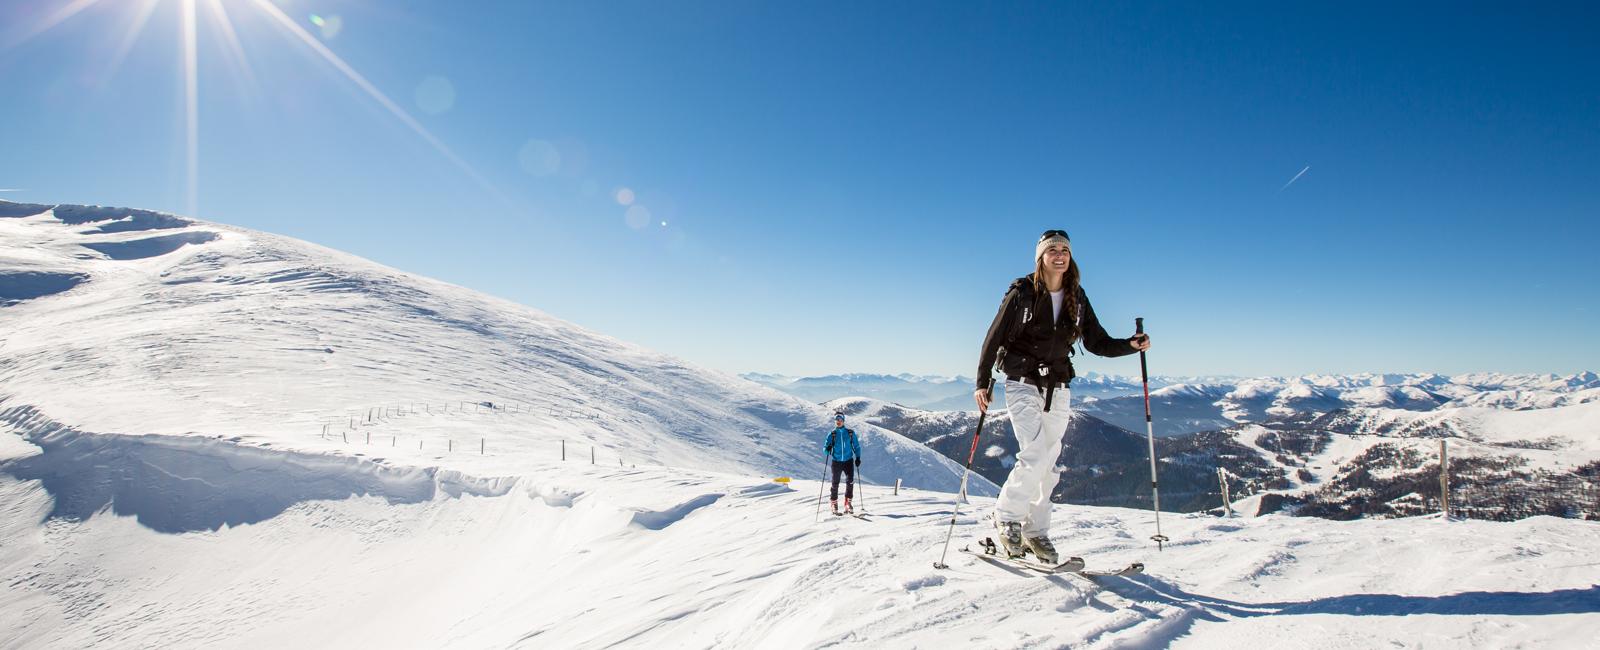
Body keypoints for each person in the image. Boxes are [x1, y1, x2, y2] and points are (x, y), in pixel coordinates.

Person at [974, 229, 1151, 562]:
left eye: (1065, 250)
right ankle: (1007, 518)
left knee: (1050, 463)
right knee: (1034, 455)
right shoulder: (1023, 292)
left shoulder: (1076, 296)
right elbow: (993, 336)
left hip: (1058, 385)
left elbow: (1097, 342)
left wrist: (1130, 345)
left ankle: (1036, 531)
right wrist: (982, 382)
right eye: (1052, 250)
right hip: (1022, 382)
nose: (1060, 255)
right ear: (1040, 258)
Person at [824, 413, 862, 515]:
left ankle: (848, 503)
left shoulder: (850, 433)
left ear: (843, 421)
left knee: (850, 482)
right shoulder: (832, 434)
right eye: (837, 419)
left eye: (840, 419)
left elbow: (856, 446)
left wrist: (858, 457)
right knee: (835, 483)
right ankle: (834, 503)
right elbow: (825, 449)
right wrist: (827, 449)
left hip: (848, 461)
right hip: (836, 461)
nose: (838, 421)